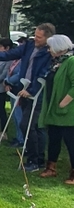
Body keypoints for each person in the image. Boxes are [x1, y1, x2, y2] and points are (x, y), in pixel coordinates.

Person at [0, 23, 55, 171]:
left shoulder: (50, 52)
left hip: (37, 93)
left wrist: (32, 90)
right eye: (35, 35)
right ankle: (32, 153)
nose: (35, 39)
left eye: (39, 37)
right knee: (29, 125)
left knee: (30, 125)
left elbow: (44, 74)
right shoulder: (29, 45)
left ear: (48, 38)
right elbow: (8, 55)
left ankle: (36, 160)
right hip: (23, 89)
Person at [38, 35, 74, 184]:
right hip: (53, 110)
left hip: (68, 112)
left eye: (50, 47)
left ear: (59, 47)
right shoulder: (56, 62)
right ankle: (51, 168)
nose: (48, 50)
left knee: (71, 142)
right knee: (53, 140)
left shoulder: (71, 61)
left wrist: (64, 102)